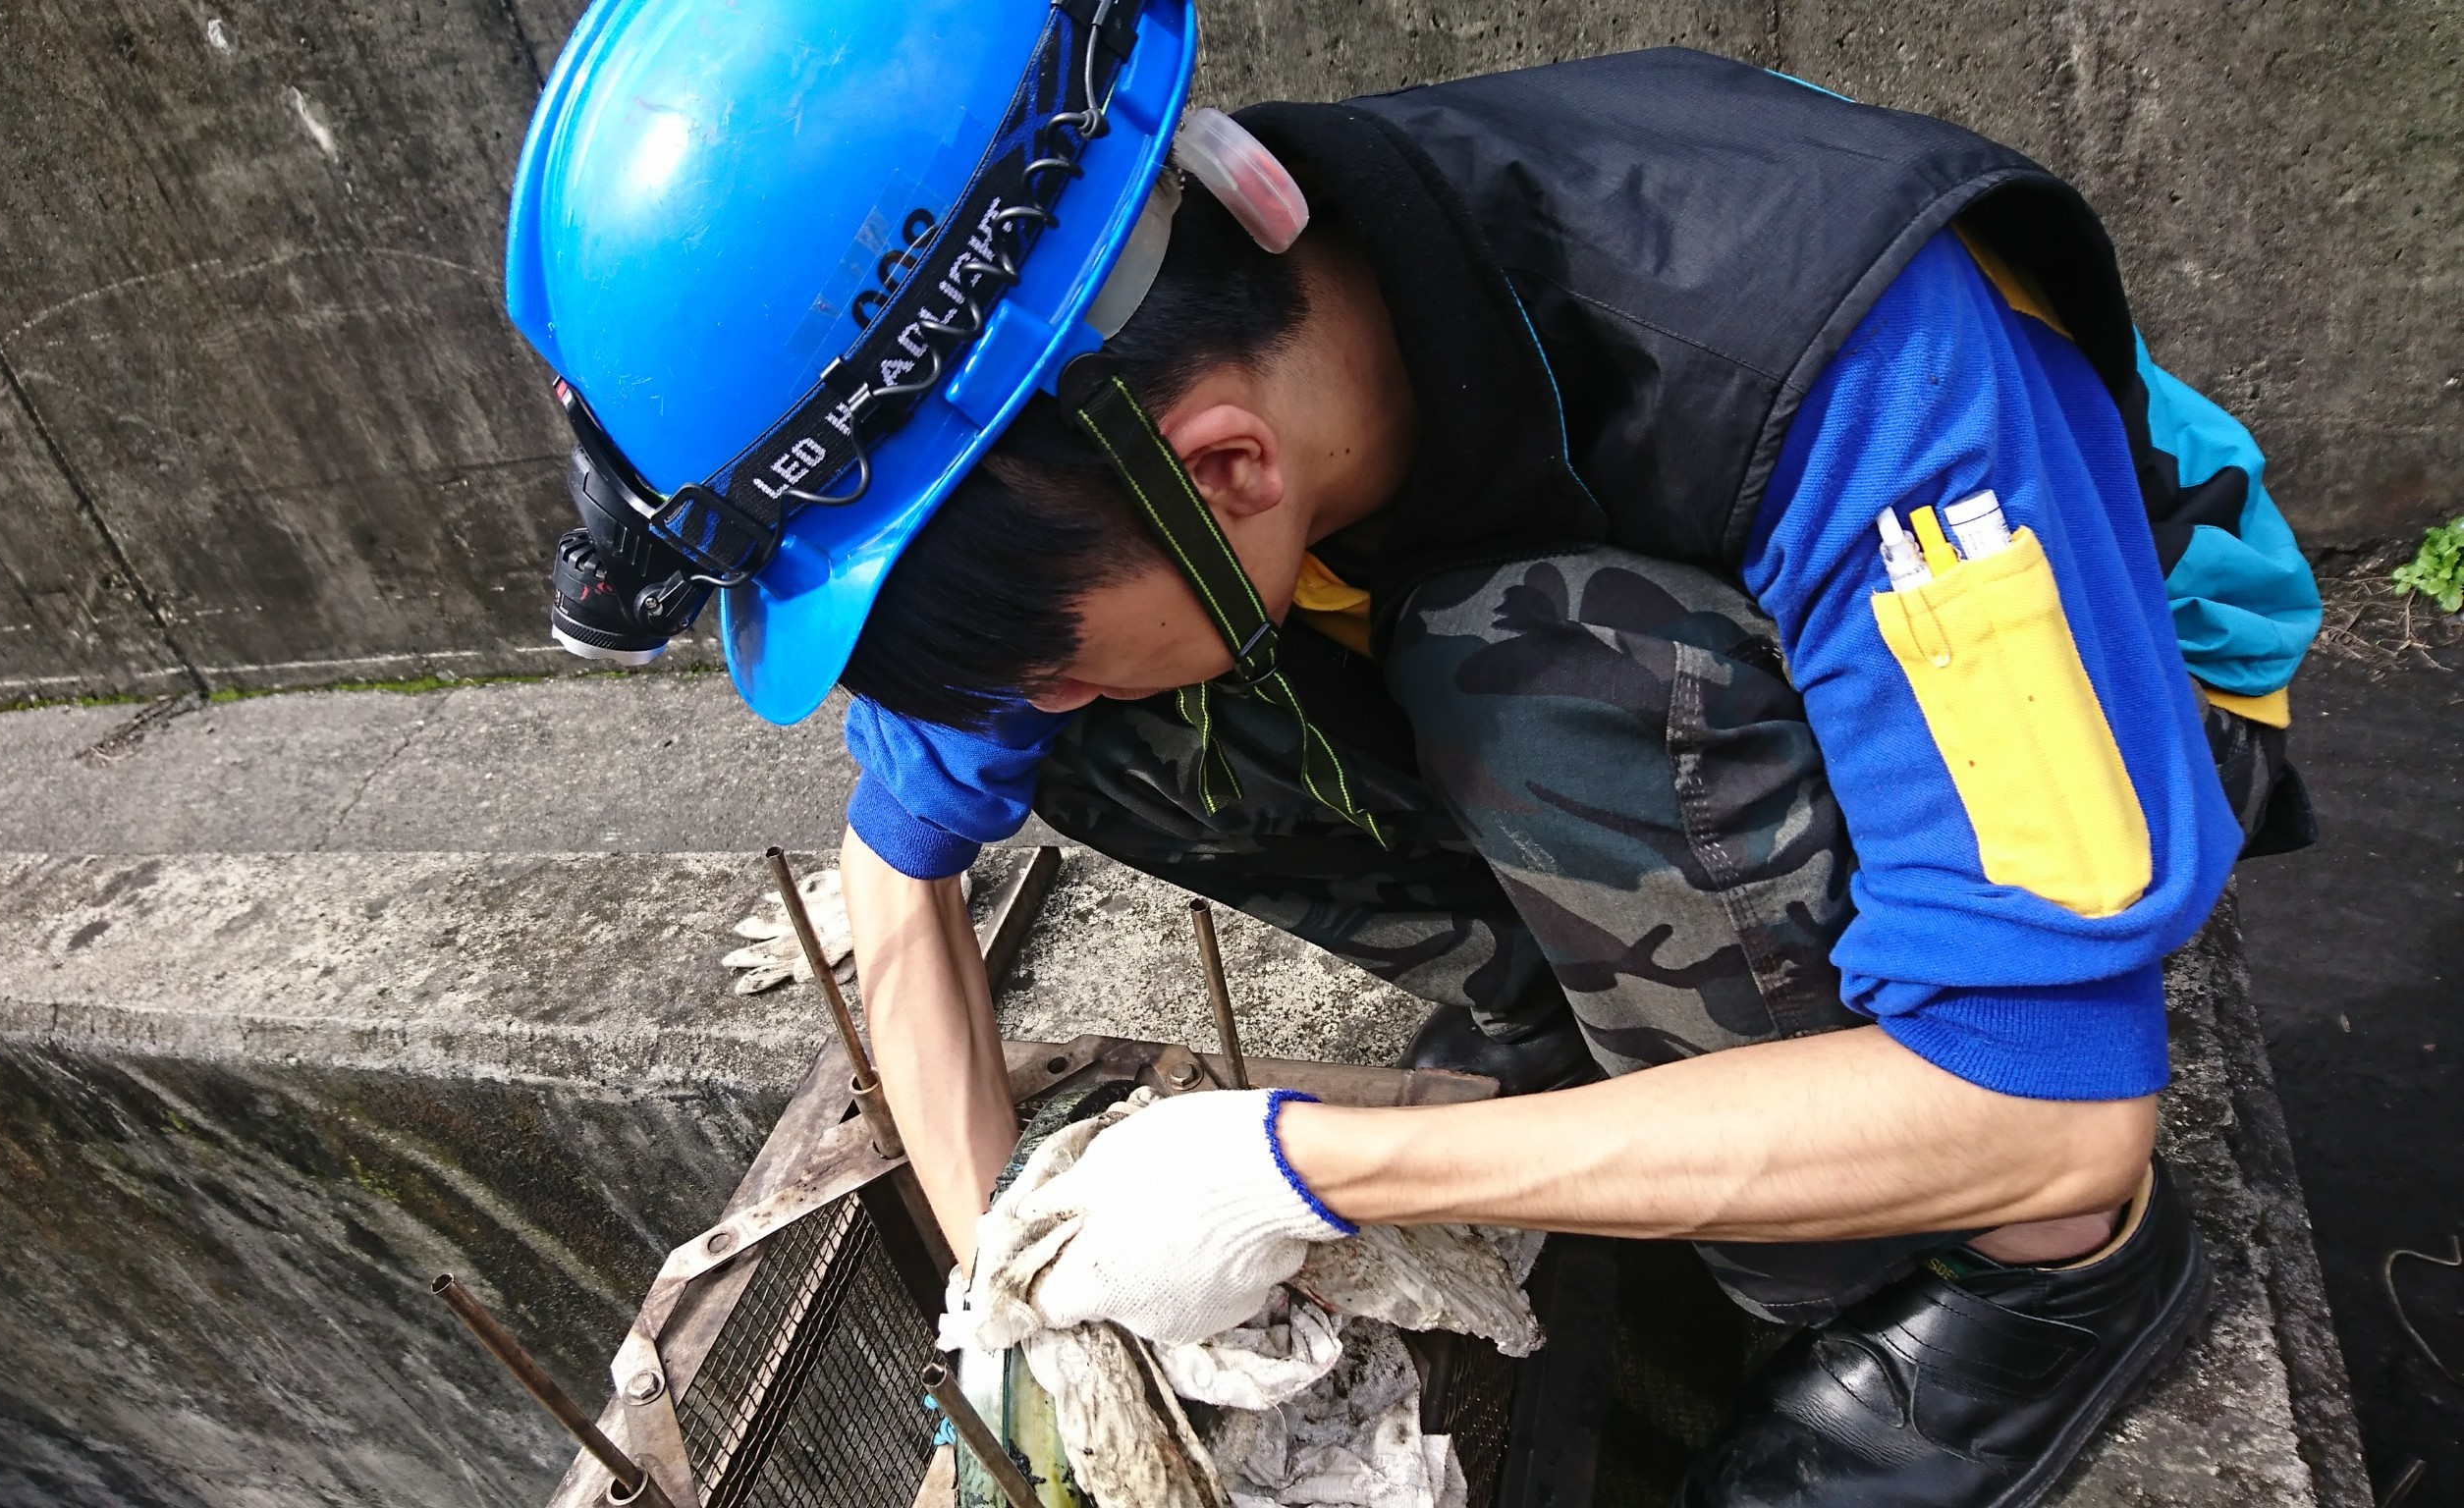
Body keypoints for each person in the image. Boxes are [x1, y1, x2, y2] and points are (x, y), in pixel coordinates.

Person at [507, 3, 2321, 1502]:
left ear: (1224, 468)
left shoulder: (1847, 356)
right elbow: (895, 880)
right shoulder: (1082, 408)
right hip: (1650, 687)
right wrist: (1023, 1288)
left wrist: (1298, 1166)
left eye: (1037, 650)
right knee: (1115, 727)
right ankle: (1599, 1021)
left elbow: (2045, 1096)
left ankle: (2035, 1298)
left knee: (1524, 670)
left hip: (2099, 693)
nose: (1020, 697)